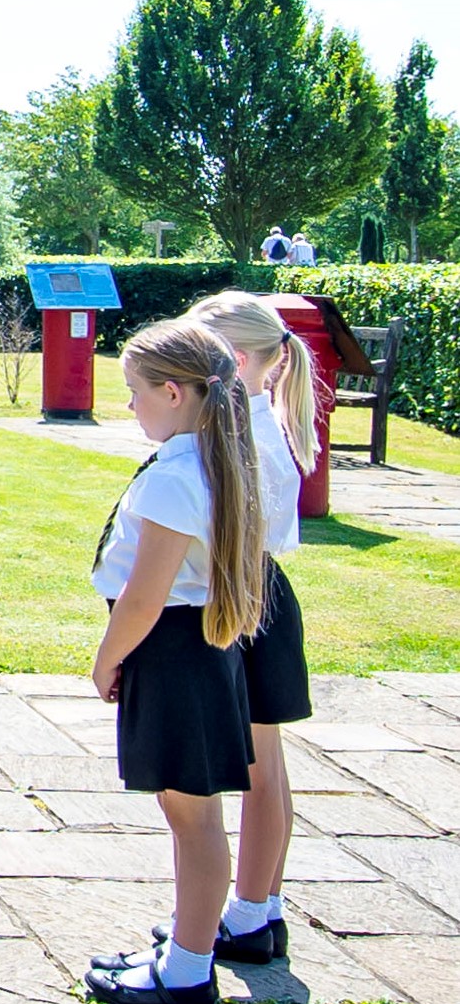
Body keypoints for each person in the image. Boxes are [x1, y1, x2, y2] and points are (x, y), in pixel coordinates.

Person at [84, 318, 265, 1004]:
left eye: (135, 390)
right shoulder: (207, 462)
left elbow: (144, 596)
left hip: (171, 651)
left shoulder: (176, 477)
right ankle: (186, 952)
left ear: (172, 391)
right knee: (191, 811)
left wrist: (107, 657)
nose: (129, 404)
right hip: (192, 651)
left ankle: (187, 973)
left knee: (192, 816)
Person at [180, 290, 318, 964]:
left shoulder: (249, 434)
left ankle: (252, 911)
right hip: (250, 589)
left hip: (248, 596)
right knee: (267, 763)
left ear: (231, 360)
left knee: (261, 767)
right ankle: (260, 907)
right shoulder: (248, 422)